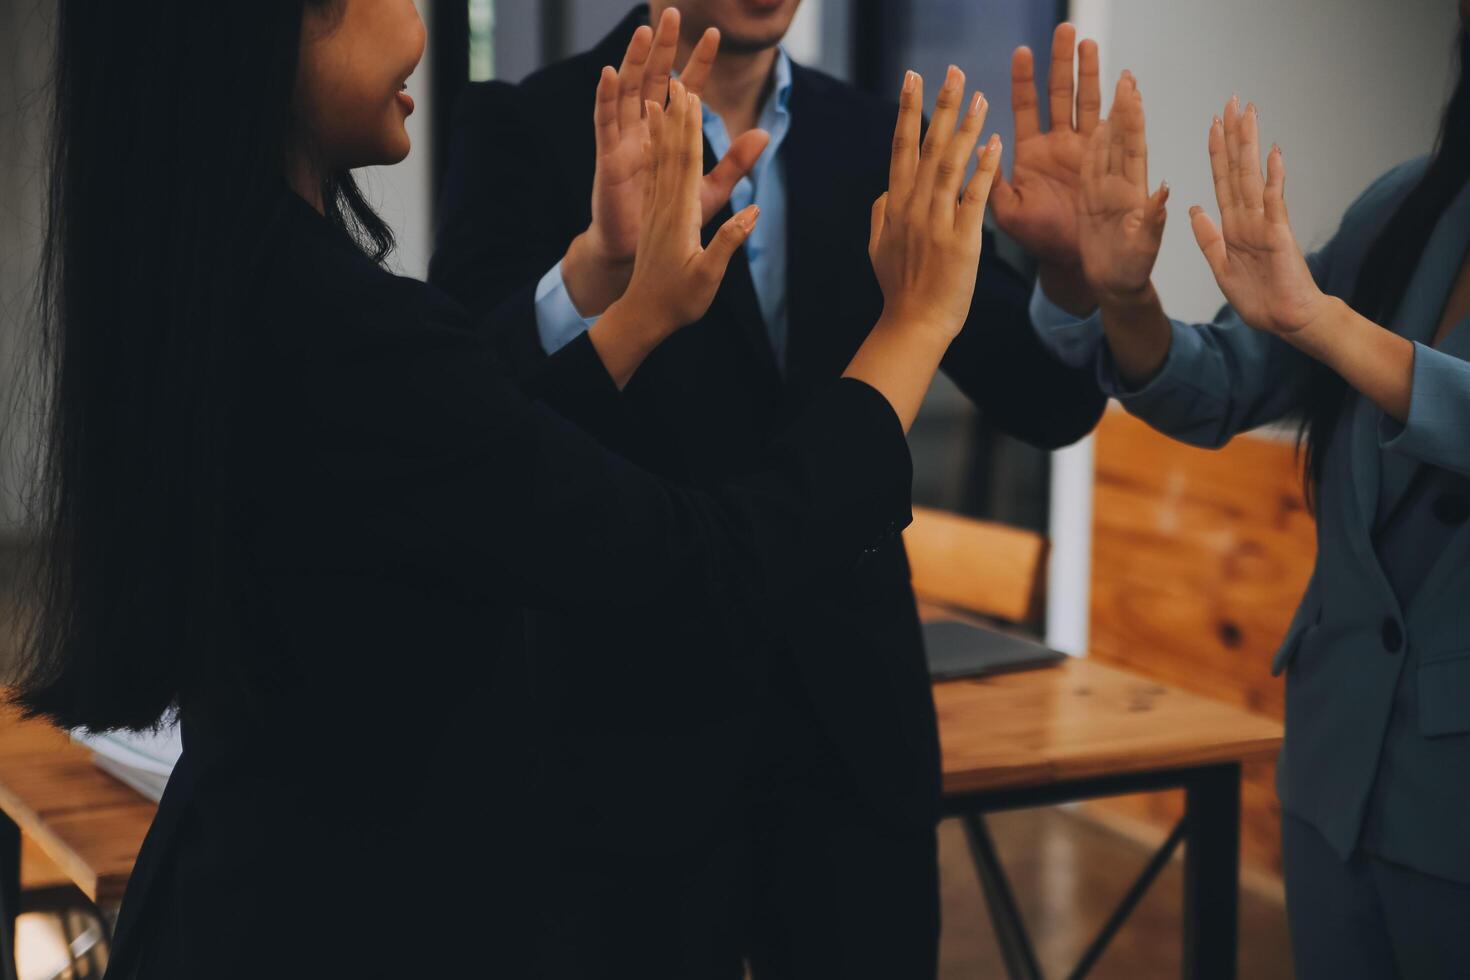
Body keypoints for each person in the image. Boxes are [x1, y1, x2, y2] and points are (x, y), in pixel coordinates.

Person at [12, 1, 1005, 976]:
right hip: (358, 916)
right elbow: (705, 562)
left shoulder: (229, 285)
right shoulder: (343, 327)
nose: (419, 28)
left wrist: (623, 300)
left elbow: (446, 450)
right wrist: (912, 326)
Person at [430, 7, 1107, 973]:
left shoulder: (881, 133)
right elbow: (469, 407)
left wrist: (1075, 280)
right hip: (619, 737)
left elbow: (1045, 401)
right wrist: (591, 279)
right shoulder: (528, 120)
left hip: (851, 731)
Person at [1017, 14, 1470, 978]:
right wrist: (1118, 296)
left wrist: (1328, 325)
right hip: (1339, 767)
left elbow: (1324, 335)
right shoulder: (1410, 207)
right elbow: (1223, 382)